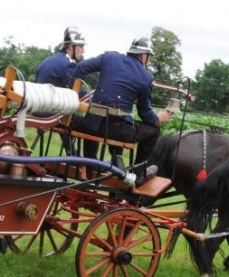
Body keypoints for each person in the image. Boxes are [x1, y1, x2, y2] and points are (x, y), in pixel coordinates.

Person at [70, 34, 172, 174]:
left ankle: (93, 163)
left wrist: (73, 97)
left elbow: (81, 68)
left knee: (95, 120)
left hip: (91, 124)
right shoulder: (146, 76)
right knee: (153, 130)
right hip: (115, 130)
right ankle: (139, 172)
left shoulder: (110, 57)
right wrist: (157, 119)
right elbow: (144, 112)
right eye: (150, 56)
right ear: (144, 55)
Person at [35, 26, 87, 154]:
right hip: (50, 113)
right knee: (92, 125)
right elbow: (76, 92)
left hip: (38, 109)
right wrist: (94, 96)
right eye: (80, 46)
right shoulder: (67, 64)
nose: (83, 50)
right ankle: (87, 162)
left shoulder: (49, 60)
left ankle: (73, 155)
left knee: (68, 117)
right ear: (70, 47)